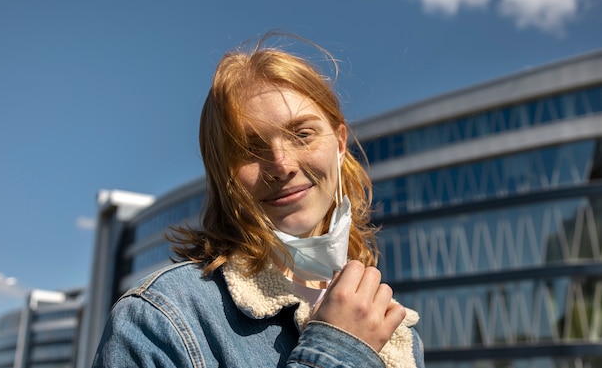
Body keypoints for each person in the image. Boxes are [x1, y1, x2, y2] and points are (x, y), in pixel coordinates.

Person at [92, 32, 425, 368]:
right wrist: (336, 352)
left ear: (339, 144)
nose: (282, 166)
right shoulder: (158, 319)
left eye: (302, 134)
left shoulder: (395, 328)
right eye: (249, 149)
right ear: (222, 173)